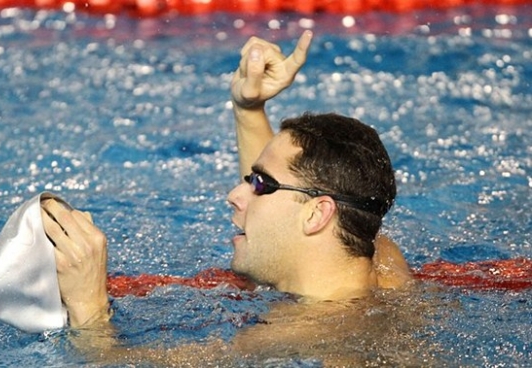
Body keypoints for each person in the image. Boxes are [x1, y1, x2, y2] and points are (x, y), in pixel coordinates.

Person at [41, 30, 415, 365]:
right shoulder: (380, 263)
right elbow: (296, 199)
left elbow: (107, 362)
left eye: (259, 184)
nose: (234, 194)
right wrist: (249, 109)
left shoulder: (300, 339)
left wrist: (89, 307)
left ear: (318, 215)